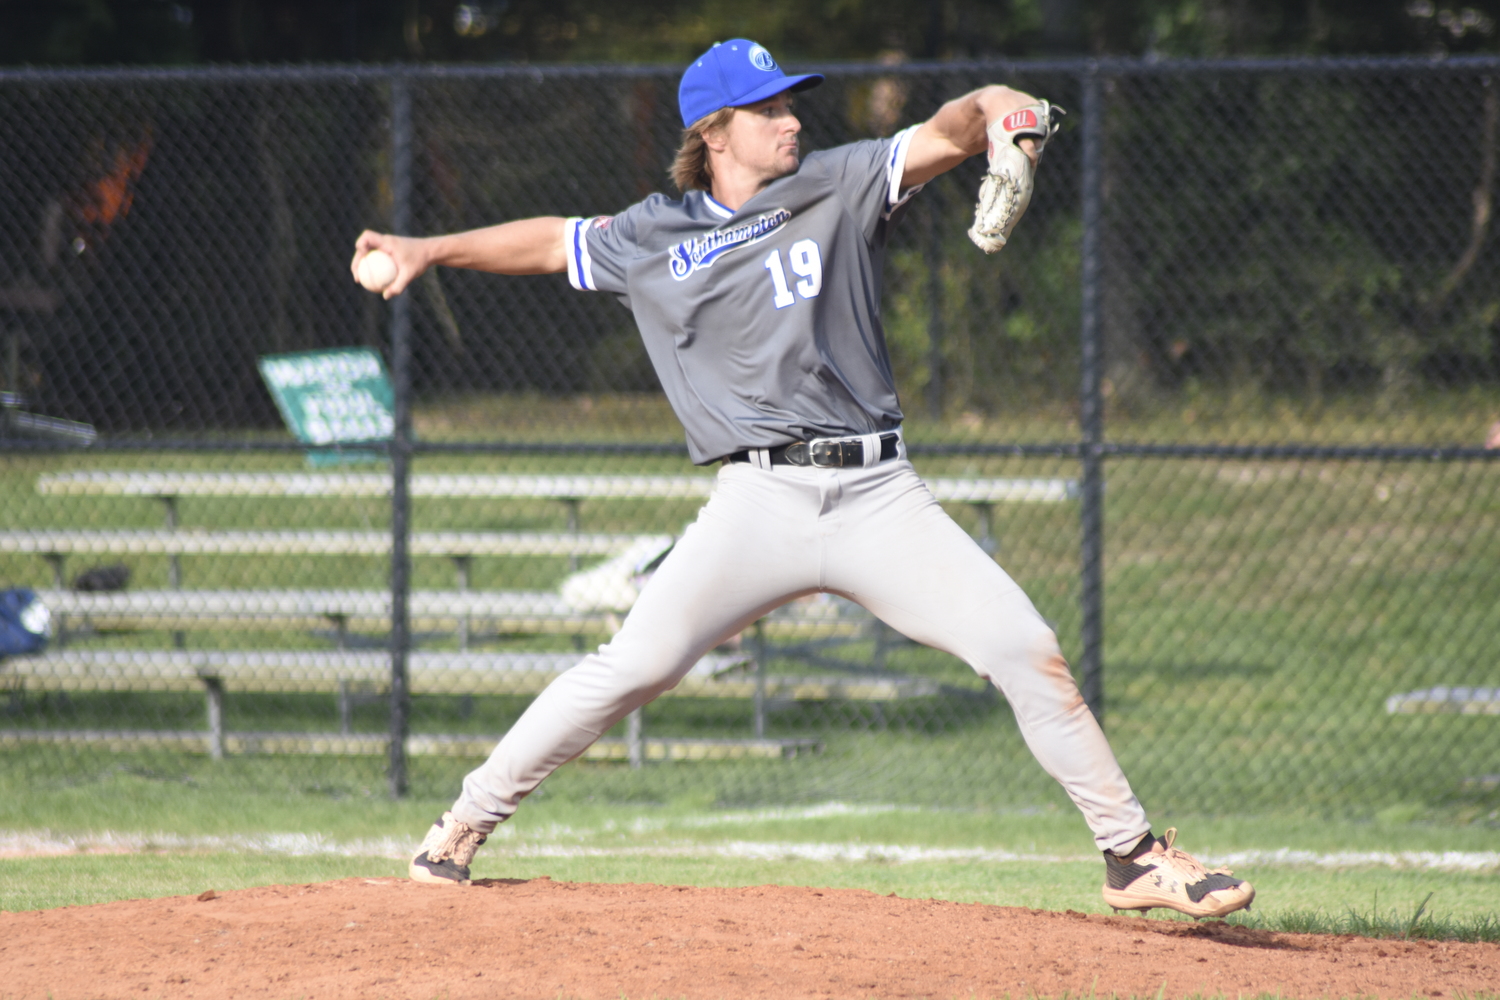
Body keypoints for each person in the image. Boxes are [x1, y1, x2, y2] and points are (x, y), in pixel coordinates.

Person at [351, 39, 1254, 920]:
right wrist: (430, 249)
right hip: (758, 504)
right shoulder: (652, 235)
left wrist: (1005, 116)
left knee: (1025, 647)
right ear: (714, 131)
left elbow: (955, 124)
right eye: (769, 107)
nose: (791, 120)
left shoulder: (838, 182)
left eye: (791, 103)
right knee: (635, 666)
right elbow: (553, 242)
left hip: (879, 495)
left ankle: (1131, 857)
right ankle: (462, 825)